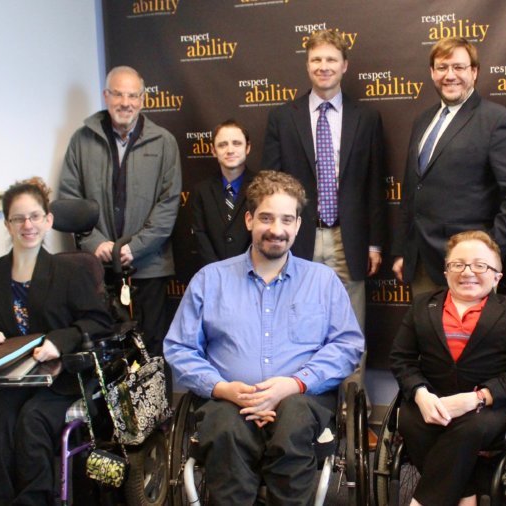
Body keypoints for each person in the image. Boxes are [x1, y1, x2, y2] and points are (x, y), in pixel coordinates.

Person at [164, 170, 364, 505]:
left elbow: (347, 347)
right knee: (225, 428)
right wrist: (222, 387)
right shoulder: (210, 280)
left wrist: (294, 384)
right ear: (248, 220)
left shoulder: (323, 281)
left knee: (294, 419)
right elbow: (179, 348)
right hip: (226, 398)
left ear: (298, 225)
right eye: (266, 218)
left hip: (302, 399)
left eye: (287, 219)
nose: (277, 229)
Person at [0, 178, 111, 505]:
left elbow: (98, 321)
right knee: (2, 427)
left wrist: (59, 341)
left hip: (61, 378)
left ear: (48, 220)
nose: (27, 225)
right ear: (7, 224)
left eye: (34, 216)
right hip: (14, 380)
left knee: (32, 421)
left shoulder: (71, 270)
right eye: (18, 218)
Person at [389, 230, 506, 506]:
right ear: (446, 272)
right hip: (433, 397)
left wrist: (476, 398)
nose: (467, 271)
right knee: (411, 420)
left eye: (480, 265)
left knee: (469, 427)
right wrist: (421, 394)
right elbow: (401, 359)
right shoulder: (423, 305)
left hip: (489, 406)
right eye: (458, 264)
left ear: (497, 276)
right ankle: (466, 493)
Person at [391, 37, 506, 295]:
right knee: (427, 336)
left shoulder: (497, 121)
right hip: (422, 265)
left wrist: (489, 251)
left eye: (458, 67)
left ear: (474, 72)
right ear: (432, 72)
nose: (450, 75)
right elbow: (413, 191)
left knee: (469, 336)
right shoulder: (423, 120)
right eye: (442, 67)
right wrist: (405, 251)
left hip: (469, 270)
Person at [262, 29, 386, 328]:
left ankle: (353, 378)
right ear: (307, 65)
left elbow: (375, 185)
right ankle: (301, 377)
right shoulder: (283, 117)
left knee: (350, 323)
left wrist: (375, 245)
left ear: (345, 65)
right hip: (298, 235)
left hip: (350, 238)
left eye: (331, 59)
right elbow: (271, 183)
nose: (323, 66)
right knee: (297, 318)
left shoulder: (367, 118)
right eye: (316, 59)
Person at [59, 65, 182, 357]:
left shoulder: (164, 142)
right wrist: (95, 243)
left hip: (148, 267)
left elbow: (169, 204)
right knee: (106, 353)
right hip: (96, 269)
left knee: (151, 349)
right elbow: (70, 200)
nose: (125, 102)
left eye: (132, 95)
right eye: (117, 94)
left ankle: (156, 405)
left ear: (142, 100)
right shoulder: (81, 140)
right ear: (105, 96)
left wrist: (134, 248)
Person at [190, 119, 254, 270]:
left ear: (248, 147)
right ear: (213, 150)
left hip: (254, 273)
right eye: (222, 145)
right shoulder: (201, 191)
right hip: (214, 276)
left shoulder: (263, 187)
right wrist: (218, 272)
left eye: (236, 143)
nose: (230, 150)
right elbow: (200, 236)